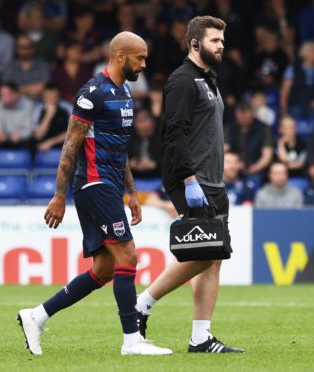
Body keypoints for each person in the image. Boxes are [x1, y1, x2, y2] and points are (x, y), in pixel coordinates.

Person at [16, 31, 172, 356]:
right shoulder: (93, 93)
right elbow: (71, 143)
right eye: (139, 58)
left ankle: (36, 316)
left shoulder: (125, 93)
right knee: (128, 254)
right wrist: (59, 195)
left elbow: (120, 149)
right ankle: (132, 340)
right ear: (120, 56)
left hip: (112, 186)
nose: (144, 64)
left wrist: (131, 193)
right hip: (93, 183)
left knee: (104, 269)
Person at [136, 16, 244, 353]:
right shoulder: (182, 80)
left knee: (213, 258)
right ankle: (142, 305)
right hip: (192, 179)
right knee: (204, 253)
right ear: (195, 43)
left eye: (222, 41)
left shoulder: (209, 79)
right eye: (215, 41)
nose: (221, 46)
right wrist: (189, 179)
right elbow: (174, 134)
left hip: (212, 179)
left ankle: (201, 337)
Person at [0, 82, 35, 150]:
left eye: (6, 95)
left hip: (23, 141)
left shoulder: (28, 105)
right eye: (1, 95)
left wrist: (20, 134)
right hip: (3, 141)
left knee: (32, 142)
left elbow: (30, 129)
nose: (2, 98)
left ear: (16, 94)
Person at [33, 83, 69, 152]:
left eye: (53, 97)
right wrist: (48, 116)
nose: (50, 100)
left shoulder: (67, 108)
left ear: (58, 97)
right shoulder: (38, 109)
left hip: (63, 147)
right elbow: (38, 136)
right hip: (42, 147)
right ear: (43, 97)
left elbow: (72, 133)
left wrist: (51, 142)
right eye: (48, 97)